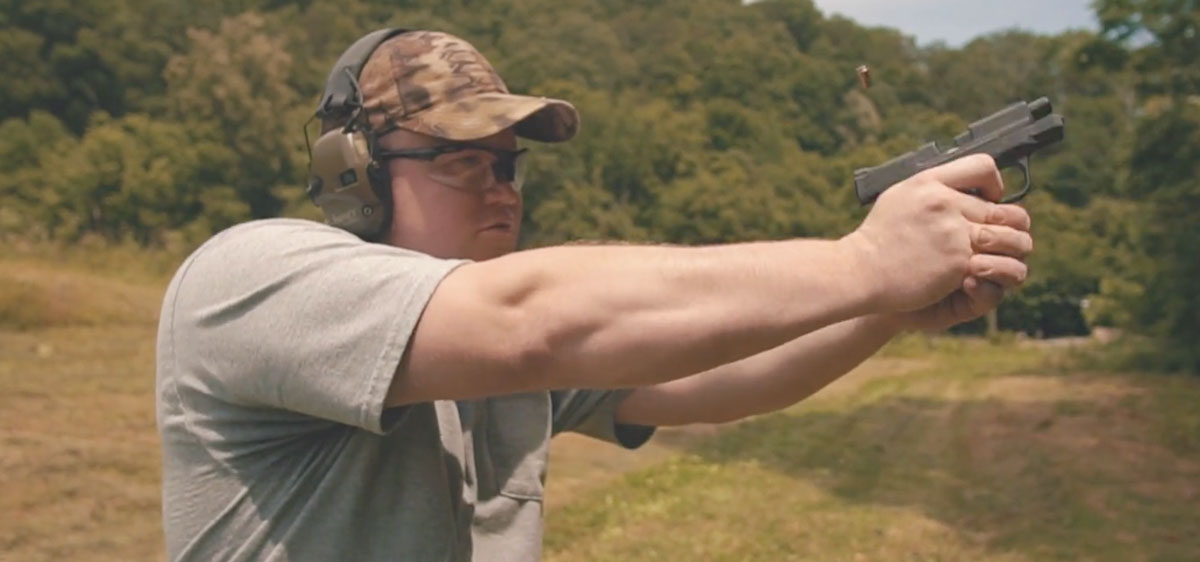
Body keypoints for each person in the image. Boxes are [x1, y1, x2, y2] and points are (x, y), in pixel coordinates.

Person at [155, 29, 1033, 562]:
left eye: (508, 164)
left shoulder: (492, 349)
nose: (501, 188)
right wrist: (864, 261)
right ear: (356, 176)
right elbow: (529, 319)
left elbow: (717, 382)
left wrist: (887, 307)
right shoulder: (255, 275)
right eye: (462, 160)